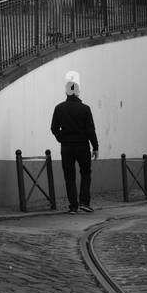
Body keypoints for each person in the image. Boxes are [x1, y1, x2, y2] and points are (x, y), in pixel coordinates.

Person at [50, 72, 98, 213]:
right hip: (82, 146)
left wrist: (61, 138)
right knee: (85, 173)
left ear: (66, 92)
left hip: (66, 147)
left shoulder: (59, 108)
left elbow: (53, 128)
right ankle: (84, 202)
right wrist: (95, 147)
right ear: (78, 92)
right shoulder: (85, 109)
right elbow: (90, 130)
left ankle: (73, 206)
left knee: (69, 176)